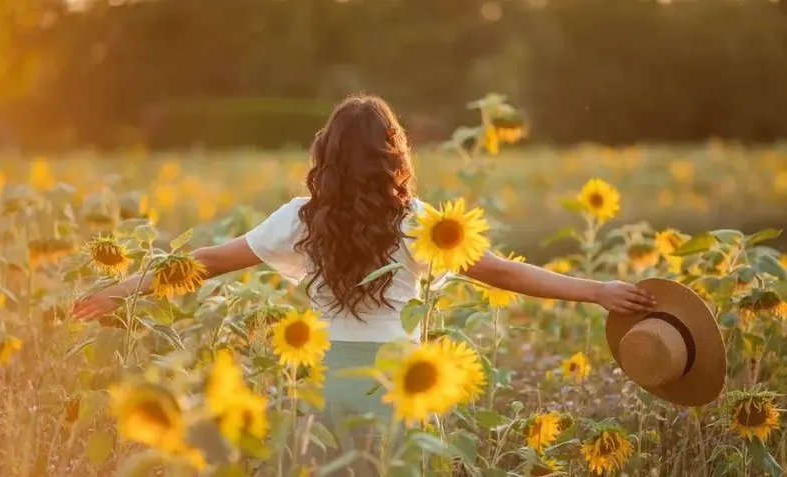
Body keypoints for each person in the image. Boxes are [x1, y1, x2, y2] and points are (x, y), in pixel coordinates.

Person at [72, 93, 656, 461]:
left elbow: (208, 261)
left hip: (318, 388)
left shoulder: (299, 220)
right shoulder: (419, 223)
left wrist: (120, 289)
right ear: (393, 155)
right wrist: (598, 291)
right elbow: (503, 272)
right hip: (398, 386)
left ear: (325, 153)